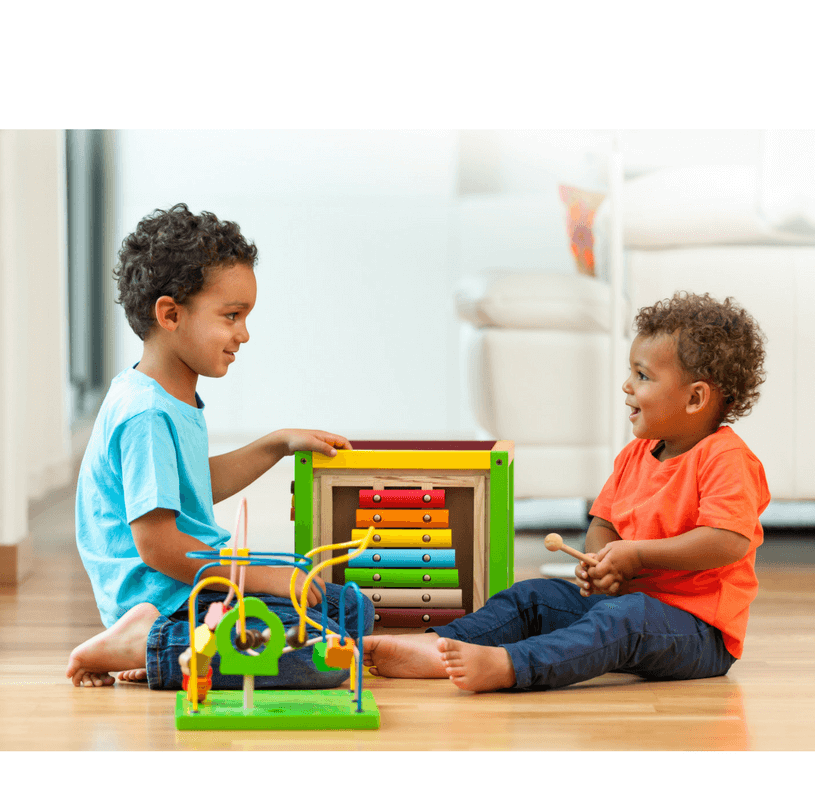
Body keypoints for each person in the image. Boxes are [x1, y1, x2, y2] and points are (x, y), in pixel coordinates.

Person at [363, 292, 769, 692]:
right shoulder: (634, 455)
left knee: (623, 619)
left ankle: (510, 666)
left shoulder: (726, 458)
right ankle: (439, 645)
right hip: (626, 606)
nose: (627, 386)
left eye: (642, 376)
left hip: (697, 631)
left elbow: (726, 541)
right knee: (533, 596)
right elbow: (603, 523)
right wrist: (600, 561)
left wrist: (637, 555)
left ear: (695, 397)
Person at [66, 204, 372, 689]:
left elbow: (191, 486)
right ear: (170, 315)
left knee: (351, 612)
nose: (243, 334)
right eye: (231, 316)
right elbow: (159, 547)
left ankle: (168, 647)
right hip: (169, 596)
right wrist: (258, 577)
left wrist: (276, 444)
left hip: (196, 586)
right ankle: (150, 644)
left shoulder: (170, 397)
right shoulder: (146, 413)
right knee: (325, 658)